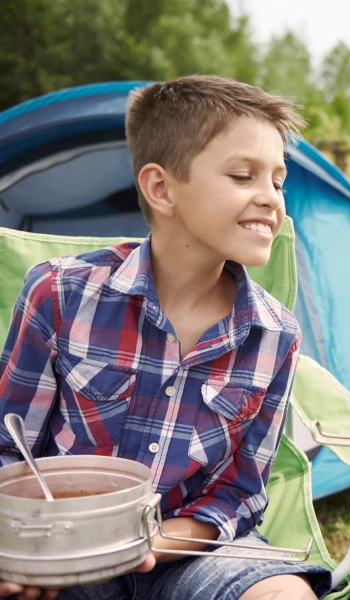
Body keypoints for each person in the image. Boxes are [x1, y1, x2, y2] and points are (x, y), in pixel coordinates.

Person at [0, 75, 331, 600]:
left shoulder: (276, 336)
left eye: (278, 181)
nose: (270, 199)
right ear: (161, 188)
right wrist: (23, 550)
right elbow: (7, 449)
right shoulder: (59, 294)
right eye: (244, 176)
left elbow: (240, 492)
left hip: (187, 555)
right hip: (63, 551)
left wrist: (149, 540)